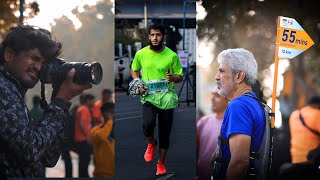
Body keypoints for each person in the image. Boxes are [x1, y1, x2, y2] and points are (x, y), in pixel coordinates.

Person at [0, 25, 91, 178]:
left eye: (44, 63)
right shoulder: (2, 88)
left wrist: (62, 100)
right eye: (34, 58)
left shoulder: (12, 90)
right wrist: (60, 100)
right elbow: (29, 151)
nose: (38, 68)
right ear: (9, 54)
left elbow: (48, 157)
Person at [130, 24, 183, 175]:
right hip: (148, 96)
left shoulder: (172, 55)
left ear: (163, 37)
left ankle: (160, 163)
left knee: (165, 133)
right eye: (152, 35)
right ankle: (151, 143)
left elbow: (180, 76)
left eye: (158, 35)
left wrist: (173, 78)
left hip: (167, 98)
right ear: (149, 37)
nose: (155, 38)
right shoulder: (141, 54)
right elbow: (134, 69)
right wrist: (137, 83)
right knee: (148, 124)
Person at [212, 48, 264, 180]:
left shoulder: (239, 106)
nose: (216, 76)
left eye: (222, 71)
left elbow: (240, 163)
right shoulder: (253, 103)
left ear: (239, 76)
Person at [196, 86, 229, 180]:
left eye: (217, 96)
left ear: (227, 100)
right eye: (212, 95)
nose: (212, 99)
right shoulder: (203, 121)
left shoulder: (232, 124)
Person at [289, 96, 320, 163]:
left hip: (295, 159)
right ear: (318, 105)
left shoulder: (294, 114)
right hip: (312, 161)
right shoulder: (317, 114)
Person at [91, 102, 115, 178]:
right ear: (105, 114)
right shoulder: (96, 131)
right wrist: (110, 121)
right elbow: (102, 136)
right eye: (111, 112)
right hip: (103, 173)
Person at [74, 94, 95, 177]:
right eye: (92, 100)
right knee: (84, 161)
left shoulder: (84, 109)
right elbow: (82, 123)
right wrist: (88, 137)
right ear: (88, 101)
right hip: (83, 140)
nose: (93, 102)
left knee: (84, 161)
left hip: (83, 139)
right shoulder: (83, 109)